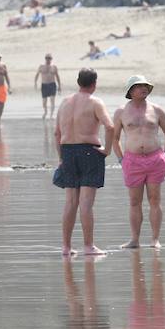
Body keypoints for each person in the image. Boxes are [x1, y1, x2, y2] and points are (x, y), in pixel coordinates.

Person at [54, 69, 114, 256]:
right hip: (89, 151)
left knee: (70, 202)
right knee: (86, 203)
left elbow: (57, 133)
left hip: (68, 151)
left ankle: (66, 247)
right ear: (94, 83)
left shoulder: (64, 102)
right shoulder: (95, 102)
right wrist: (107, 150)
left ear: (78, 82)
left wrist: (61, 158)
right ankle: (88, 246)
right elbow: (110, 126)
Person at [112, 75, 165, 250]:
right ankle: (135, 240)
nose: (144, 88)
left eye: (146, 85)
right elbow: (114, 138)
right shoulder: (121, 112)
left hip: (156, 159)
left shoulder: (157, 109)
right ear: (131, 91)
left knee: (155, 199)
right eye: (139, 86)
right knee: (134, 201)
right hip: (132, 160)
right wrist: (121, 159)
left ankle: (155, 239)